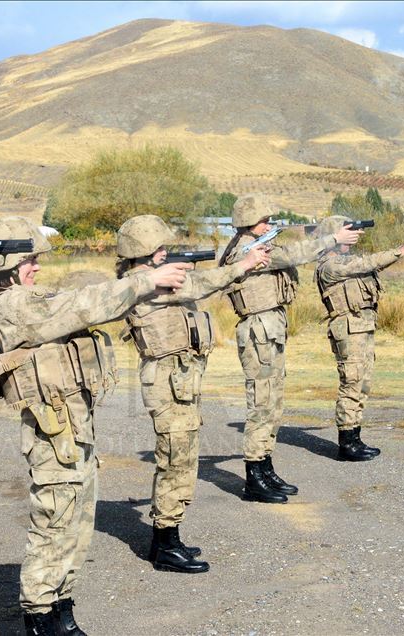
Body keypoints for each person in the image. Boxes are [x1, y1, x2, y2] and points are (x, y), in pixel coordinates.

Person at [0, 216, 190, 635]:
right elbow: (81, 305)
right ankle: (40, 616)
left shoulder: (28, 299)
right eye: (30, 260)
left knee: (76, 522)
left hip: (72, 428)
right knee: (55, 522)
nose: (36, 267)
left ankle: (61, 607)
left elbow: (81, 298)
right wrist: (145, 281)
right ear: (7, 263)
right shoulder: (11, 305)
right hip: (52, 431)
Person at [115, 215, 270, 574]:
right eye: (159, 248)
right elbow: (199, 285)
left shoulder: (148, 278)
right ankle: (165, 544)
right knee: (175, 460)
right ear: (144, 250)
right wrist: (244, 264)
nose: (165, 252)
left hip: (179, 380)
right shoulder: (142, 283)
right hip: (168, 382)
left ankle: (167, 539)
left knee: (182, 459)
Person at [218, 194, 361, 504]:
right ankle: (254, 475)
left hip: (269, 329)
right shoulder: (248, 251)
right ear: (248, 223)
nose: (269, 225)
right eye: (264, 221)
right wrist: (333, 239)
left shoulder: (256, 244)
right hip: (259, 330)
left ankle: (264, 466)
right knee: (262, 404)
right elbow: (294, 255)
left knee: (273, 403)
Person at [314, 215, 404, 460]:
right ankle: (346, 444)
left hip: (361, 327)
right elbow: (367, 263)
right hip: (348, 328)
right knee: (351, 383)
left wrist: (403, 250)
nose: (352, 239)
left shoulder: (346, 261)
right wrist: (402, 250)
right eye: (346, 234)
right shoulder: (329, 266)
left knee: (362, 384)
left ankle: (355, 437)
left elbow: (372, 264)